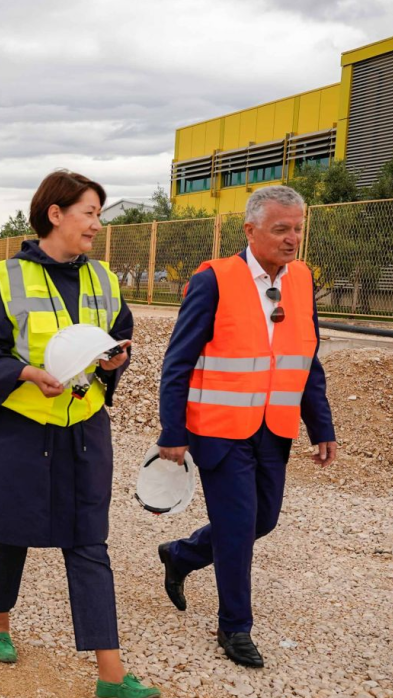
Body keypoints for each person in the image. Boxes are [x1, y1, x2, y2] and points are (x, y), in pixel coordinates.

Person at [0, 170, 158, 698]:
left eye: (97, 213)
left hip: (84, 428)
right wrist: (26, 373)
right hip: (21, 430)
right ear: (55, 214)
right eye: (89, 213)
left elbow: (121, 338)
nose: (96, 223)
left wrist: (117, 361)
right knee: (12, 531)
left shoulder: (105, 280)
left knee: (88, 540)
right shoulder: (6, 280)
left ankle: (110, 676)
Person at [155, 184, 338, 668]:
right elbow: (178, 361)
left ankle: (183, 555)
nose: (292, 238)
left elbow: (306, 359)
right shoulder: (214, 279)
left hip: (274, 428)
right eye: (281, 229)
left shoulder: (300, 280)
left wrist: (321, 424)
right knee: (236, 527)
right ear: (251, 230)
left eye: (298, 228)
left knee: (263, 520)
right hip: (219, 429)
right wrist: (172, 431)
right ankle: (235, 627)